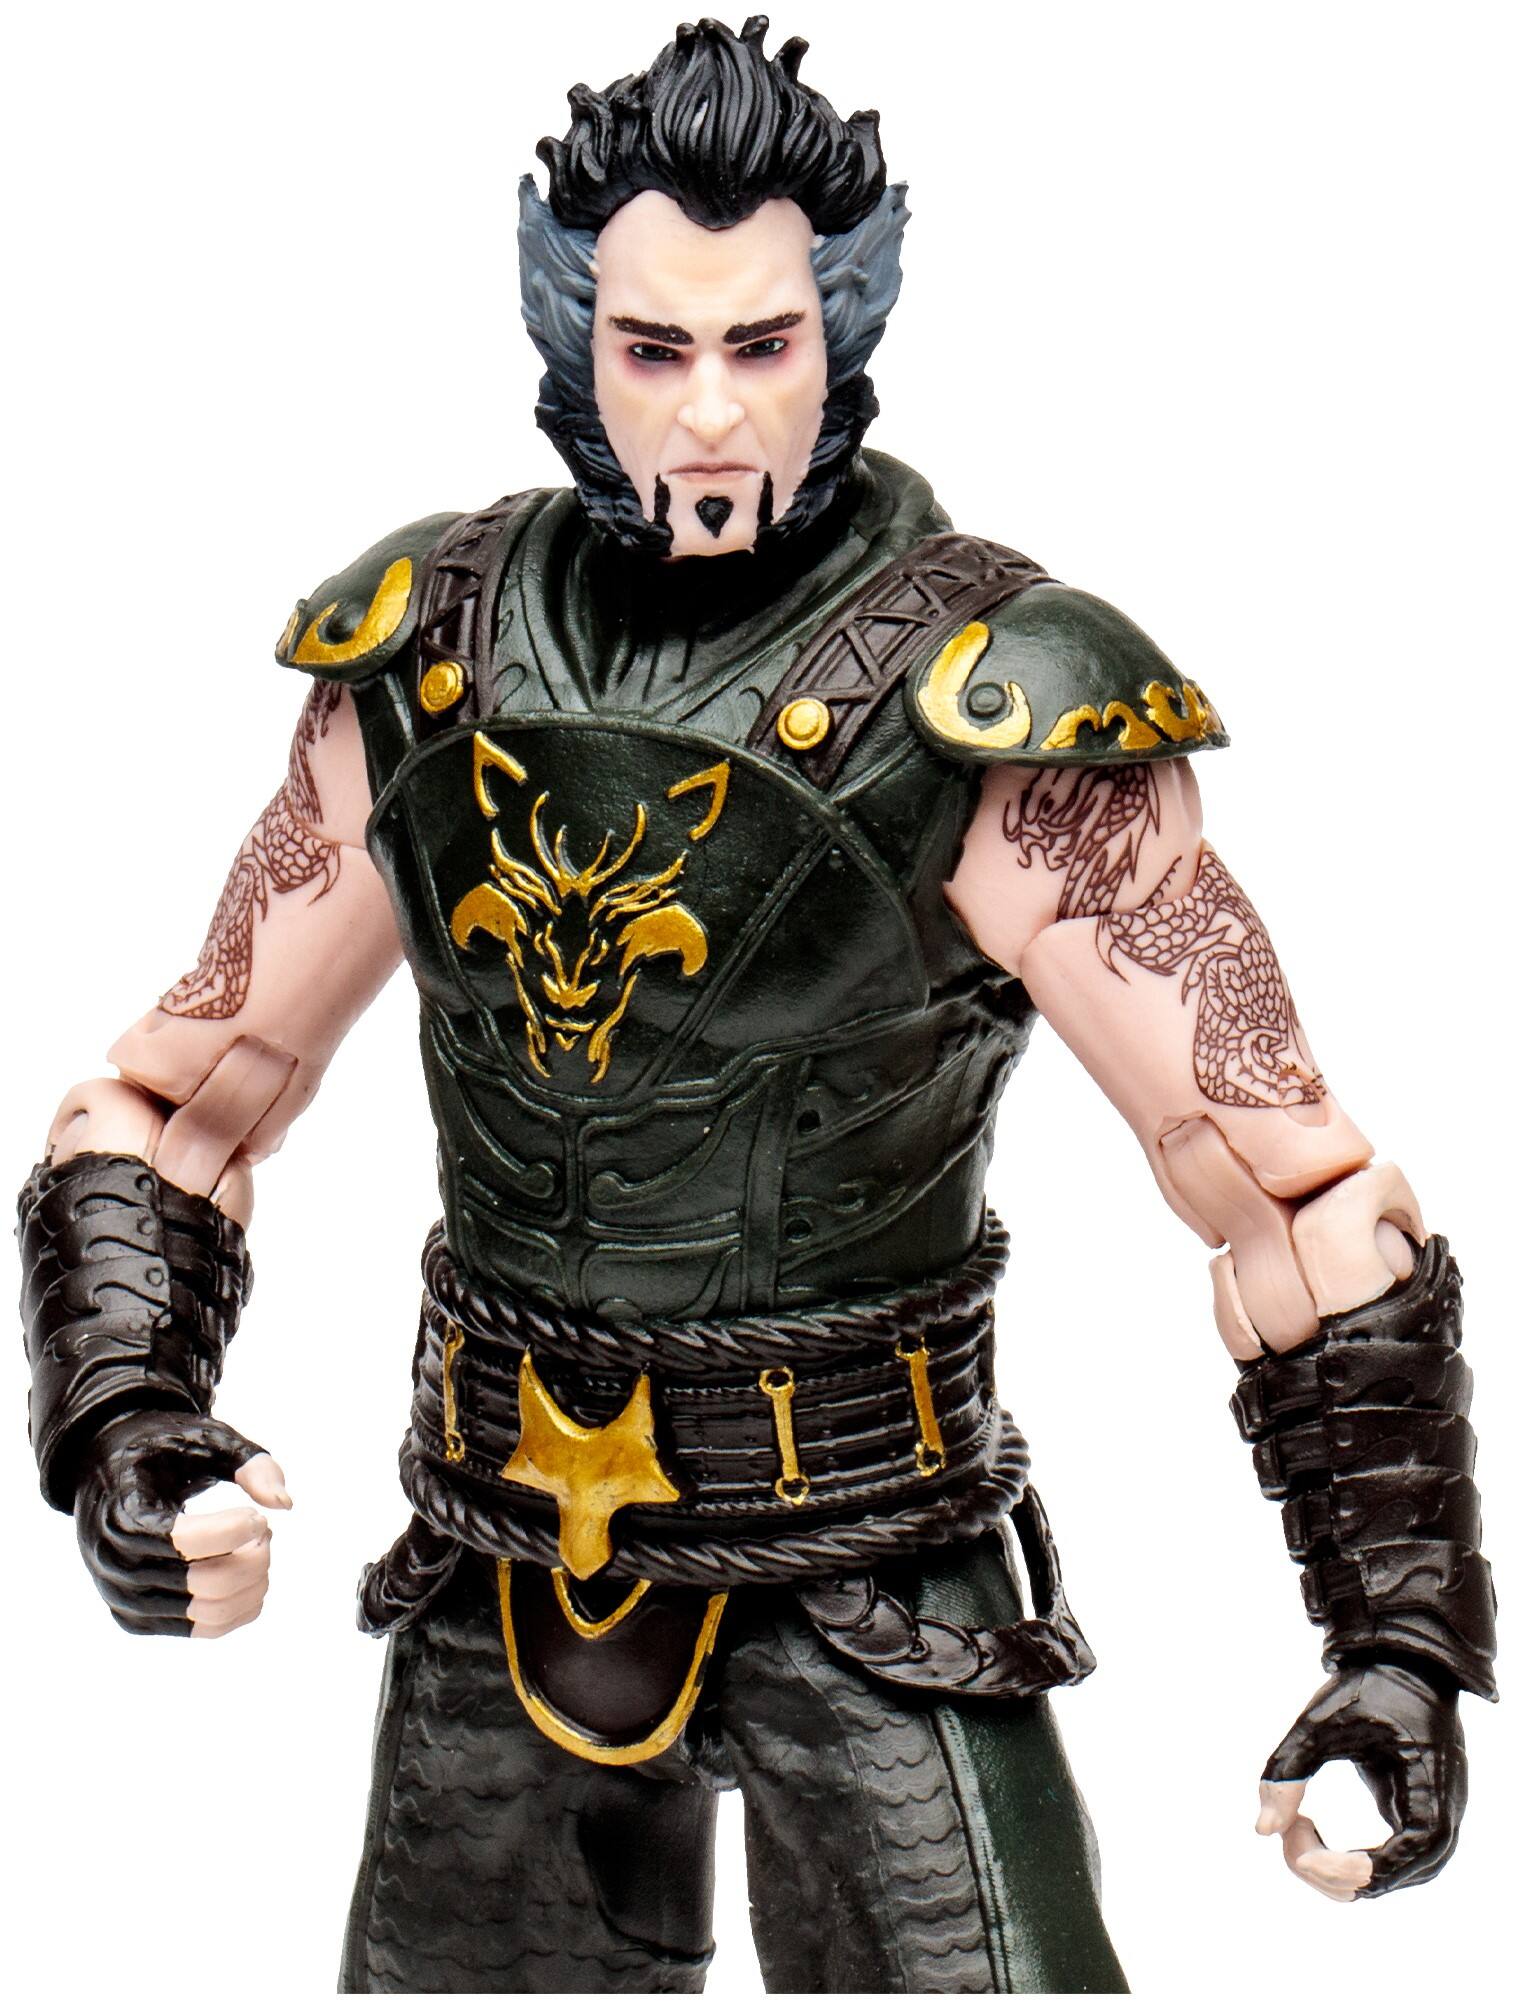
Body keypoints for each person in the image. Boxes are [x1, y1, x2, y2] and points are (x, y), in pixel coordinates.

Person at [17, 15, 1495, 1995]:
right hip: (499, 1556)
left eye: (760, 344)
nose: (710, 416)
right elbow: (177, 1098)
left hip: (869, 1562)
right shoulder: (429, 656)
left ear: (837, 332)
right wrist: (124, 1407)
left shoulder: (996, 707)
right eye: (654, 350)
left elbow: (1285, 1188)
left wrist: (1395, 1635)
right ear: (575, 339)